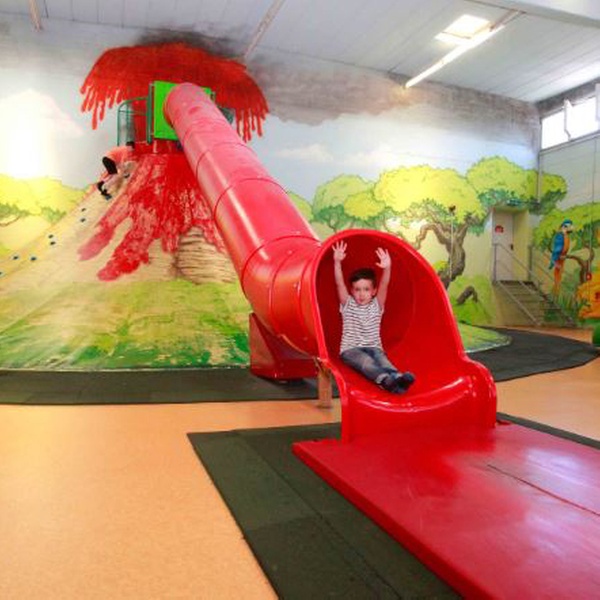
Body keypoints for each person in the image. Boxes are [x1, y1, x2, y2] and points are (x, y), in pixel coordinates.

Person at [332, 240, 415, 394]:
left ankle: (397, 379)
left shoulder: (377, 305)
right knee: (366, 362)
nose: (361, 294)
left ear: (374, 291)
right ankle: (385, 380)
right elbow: (339, 284)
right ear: (352, 291)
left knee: (383, 360)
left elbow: (384, 285)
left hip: (374, 347)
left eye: (366, 289)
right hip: (350, 350)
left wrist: (387, 268)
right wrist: (337, 262)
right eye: (357, 289)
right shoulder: (348, 304)